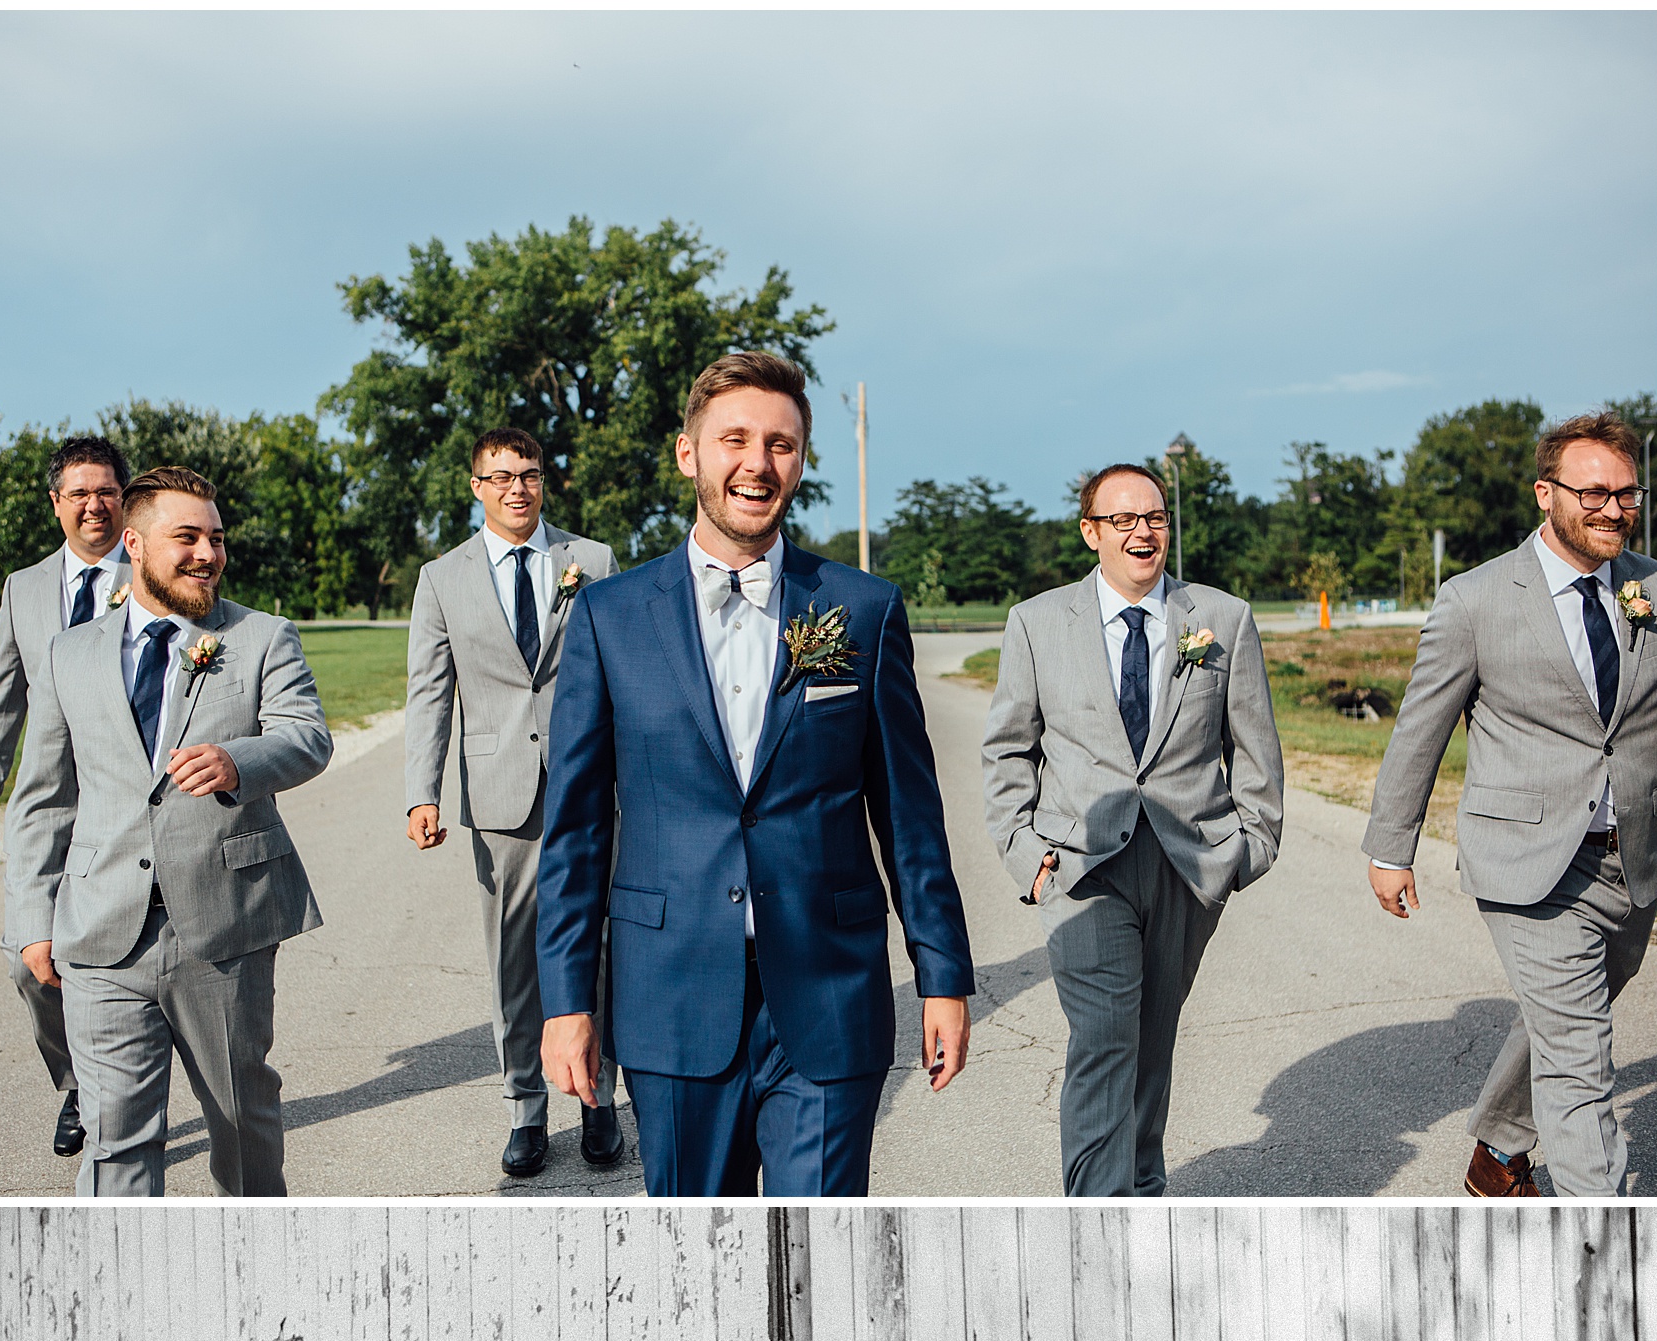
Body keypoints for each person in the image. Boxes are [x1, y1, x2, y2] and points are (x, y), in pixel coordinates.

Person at [537, 349, 975, 1198]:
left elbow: (910, 820)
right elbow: (577, 833)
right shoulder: (609, 616)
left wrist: (943, 977)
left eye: (780, 444)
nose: (757, 463)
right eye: (734, 438)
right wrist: (565, 1001)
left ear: (802, 461)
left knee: (822, 1259)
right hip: (670, 999)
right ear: (687, 452)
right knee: (698, 1265)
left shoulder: (864, 609)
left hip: (828, 992)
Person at [1363, 409, 1657, 1198]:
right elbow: (1419, 729)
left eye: (1627, 494)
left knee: (1567, 1015)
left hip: (1631, 858)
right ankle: (1597, 1233)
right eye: (1593, 493)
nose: (1612, 509)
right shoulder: (1476, 599)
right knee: (1581, 1057)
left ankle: (1498, 1151)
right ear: (1545, 493)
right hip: (1527, 862)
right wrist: (1390, 847)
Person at [6, 465, 332, 1196]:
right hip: (99, 933)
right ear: (134, 543)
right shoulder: (70, 652)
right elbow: (43, 797)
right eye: (186, 537)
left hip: (225, 926)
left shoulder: (262, 637)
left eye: (216, 539)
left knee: (241, 1126)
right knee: (115, 1139)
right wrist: (32, 917)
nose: (207, 554)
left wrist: (237, 760)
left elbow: (308, 738)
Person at [982, 461, 1283, 1195]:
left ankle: (1141, 1193)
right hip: (1083, 866)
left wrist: (1249, 848)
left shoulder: (1221, 618)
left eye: (1153, 517)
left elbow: (1254, 746)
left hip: (1189, 865)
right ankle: (1097, 1219)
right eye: (1122, 519)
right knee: (1104, 1039)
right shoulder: (1038, 622)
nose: (1142, 531)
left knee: (1150, 1043)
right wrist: (1028, 855)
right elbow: (1006, 750)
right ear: (1091, 533)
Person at [404, 426, 623, 1180]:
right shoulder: (442, 578)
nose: (516, 488)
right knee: (515, 961)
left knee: (600, 948)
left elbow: (626, 676)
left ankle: (598, 1102)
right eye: (500, 477)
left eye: (528, 474)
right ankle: (526, 1108)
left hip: (594, 786)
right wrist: (419, 793)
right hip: (500, 795)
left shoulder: (591, 562)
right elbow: (429, 693)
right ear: (476, 487)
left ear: (543, 480)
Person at [0, 434, 134, 1162]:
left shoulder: (160, 570)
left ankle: (115, 1094)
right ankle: (78, 1083)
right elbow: (1, 701)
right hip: (44, 804)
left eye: (107, 491)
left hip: (128, 802)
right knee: (26, 962)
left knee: (119, 959)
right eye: (79, 493)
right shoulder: (22, 589)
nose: (94, 504)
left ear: (125, 499)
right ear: (55, 502)